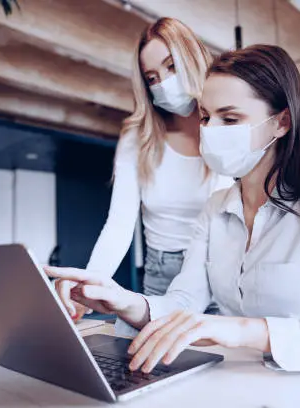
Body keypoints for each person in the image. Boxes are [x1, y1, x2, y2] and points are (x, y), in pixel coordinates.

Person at [46, 44, 300, 375]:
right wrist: (130, 303)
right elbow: (185, 301)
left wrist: (246, 330)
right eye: (205, 117)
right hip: (241, 385)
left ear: (281, 122)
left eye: (230, 118)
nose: (210, 132)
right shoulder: (216, 208)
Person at [53, 18, 232, 321]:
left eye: (171, 66)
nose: (163, 83)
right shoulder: (139, 137)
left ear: (193, 58)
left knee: (226, 363)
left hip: (223, 267)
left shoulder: (229, 125)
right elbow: (120, 223)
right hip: (163, 272)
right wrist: (90, 284)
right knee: (154, 362)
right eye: (152, 77)